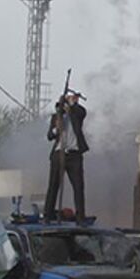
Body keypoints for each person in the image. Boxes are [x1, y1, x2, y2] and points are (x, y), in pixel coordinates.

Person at [44, 91, 88, 223]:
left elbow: (81, 113)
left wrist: (72, 104)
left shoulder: (76, 115)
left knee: (78, 186)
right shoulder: (56, 118)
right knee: (53, 186)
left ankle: (80, 218)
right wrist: (55, 129)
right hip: (59, 153)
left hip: (74, 154)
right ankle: (47, 215)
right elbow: (50, 136)